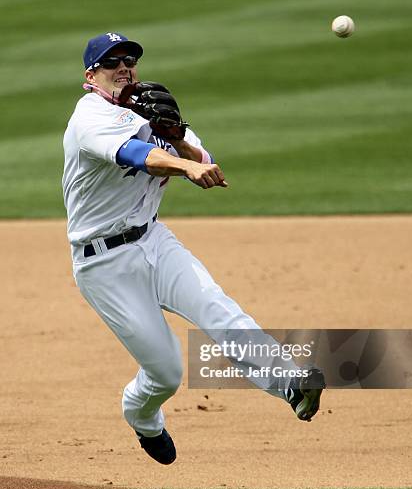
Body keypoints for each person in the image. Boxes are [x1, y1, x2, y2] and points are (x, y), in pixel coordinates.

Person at [62, 32, 325, 465]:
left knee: (217, 307)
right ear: (91, 75)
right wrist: (180, 162)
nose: (124, 68)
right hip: (103, 264)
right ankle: (142, 417)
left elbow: (206, 162)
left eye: (130, 60)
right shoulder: (88, 118)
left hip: (154, 240)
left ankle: (291, 385)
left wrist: (178, 136)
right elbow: (135, 155)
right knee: (166, 373)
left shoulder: (151, 108)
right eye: (113, 62)